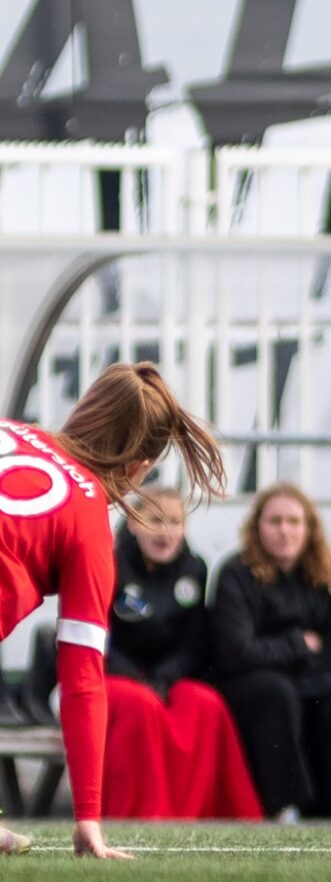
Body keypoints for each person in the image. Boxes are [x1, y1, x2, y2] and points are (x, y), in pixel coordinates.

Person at [0, 361, 226, 859]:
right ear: (139, 466)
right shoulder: (89, 527)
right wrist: (88, 820)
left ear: (85, 409)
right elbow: (82, 682)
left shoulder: (11, 430)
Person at [210, 482, 331, 821]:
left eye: (293, 521)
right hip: (249, 685)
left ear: (309, 528)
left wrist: (277, 652)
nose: (284, 531)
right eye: (275, 521)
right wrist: (299, 644)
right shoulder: (235, 574)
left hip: (310, 679)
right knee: (276, 691)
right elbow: (236, 653)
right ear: (257, 527)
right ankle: (285, 807)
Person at [103, 486, 262, 820]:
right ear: (133, 523)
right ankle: (144, 814)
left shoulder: (194, 568)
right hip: (113, 674)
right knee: (139, 706)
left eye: (175, 522)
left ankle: (198, 813)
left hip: (164, 677)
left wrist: (164, 677)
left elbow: (194, 642)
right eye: (155, 520)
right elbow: (98, 635)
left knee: (205, 704)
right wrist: (135, 677)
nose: (166, 531)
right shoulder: (109, 562)